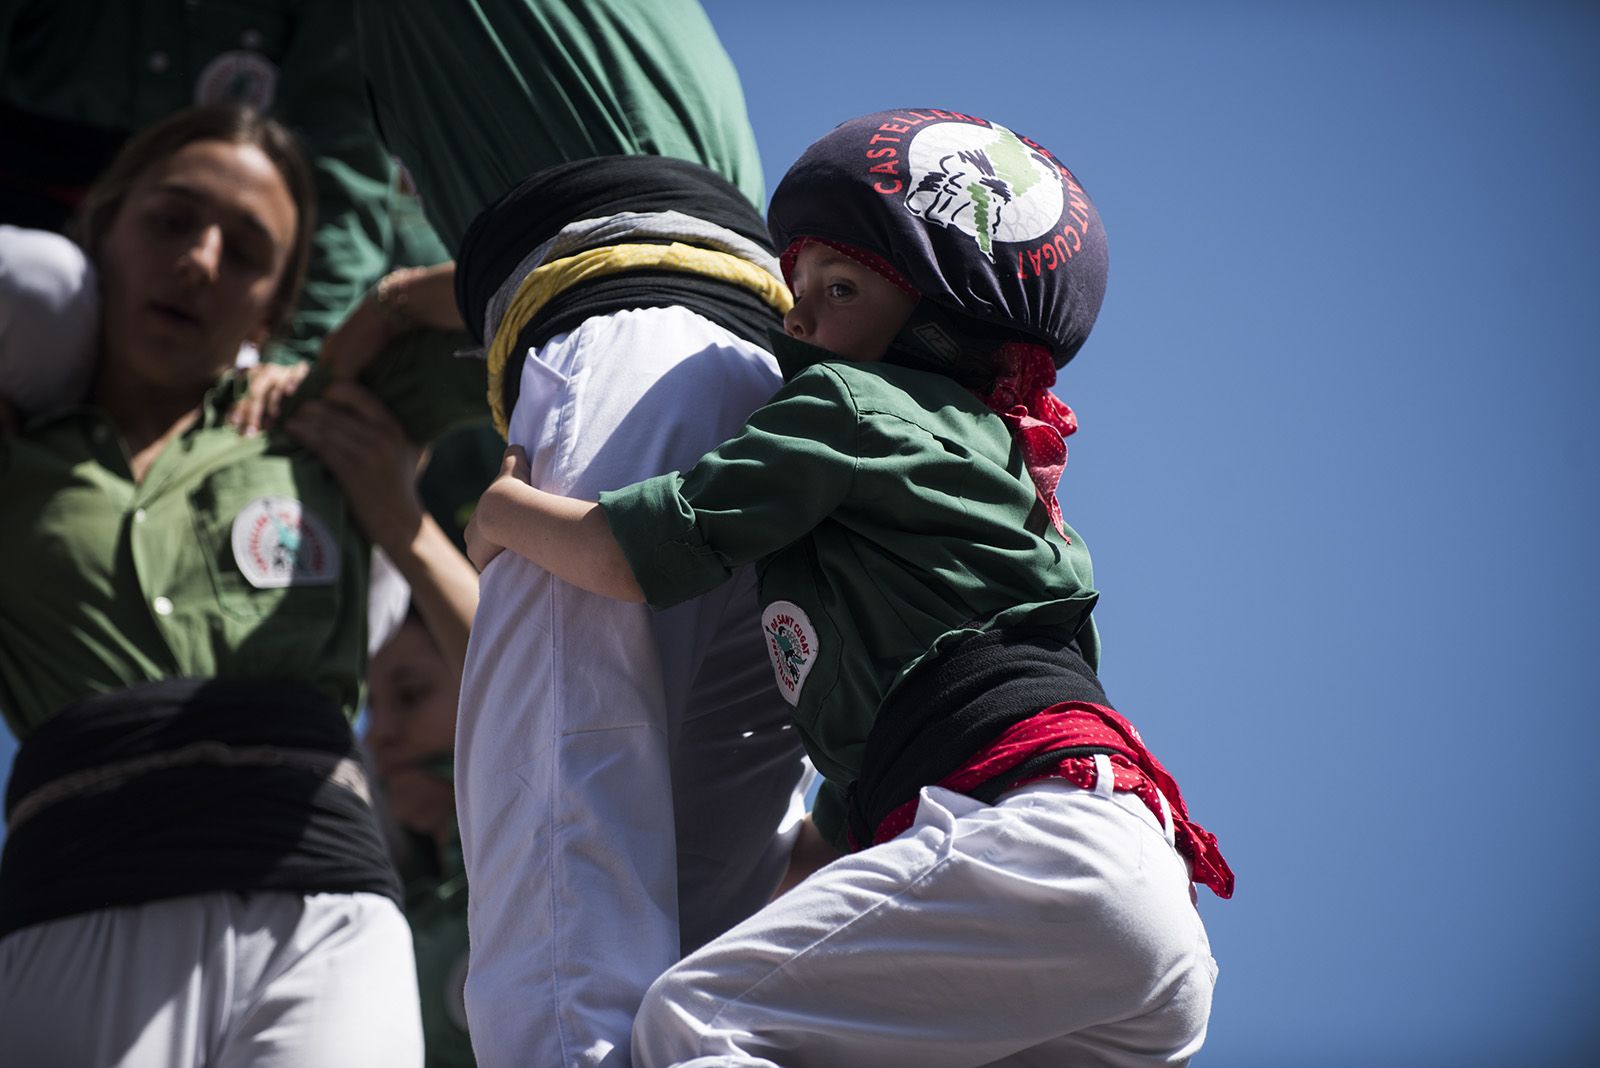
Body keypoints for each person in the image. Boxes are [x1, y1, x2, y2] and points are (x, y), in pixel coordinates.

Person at [465, 108, 1235, 1067]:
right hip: (1146, 927)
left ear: (941, 331)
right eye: (795, 287)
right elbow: (854, 815)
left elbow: (636, 552)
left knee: (692, 1022)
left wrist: (501, 512)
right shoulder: (1007, 492)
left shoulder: (853, 404)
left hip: (1039, 853)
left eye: (838, 287)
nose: (798, 319)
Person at [0, 103, 484, 1066]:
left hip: (326, 917)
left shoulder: (330, 418)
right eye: (171, 221)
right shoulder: (16, 462)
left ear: (270, 308)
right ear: (101, 230)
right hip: (68, 909)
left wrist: (382, 310)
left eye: (246, 249)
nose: (199, 259)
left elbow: (569, 302)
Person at [0, 0, 444, 362]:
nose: (199, 263)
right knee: (40, 283)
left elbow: (341, 178)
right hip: (26, 250)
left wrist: (293, 371)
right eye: (169, 222)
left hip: (223, 324)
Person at [291, 379, 494, 1068]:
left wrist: (395, 515)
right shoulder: (370, 917)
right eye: (375, 706)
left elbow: (507, 689)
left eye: (409, 694)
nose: (379, 734)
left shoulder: (537, 844)